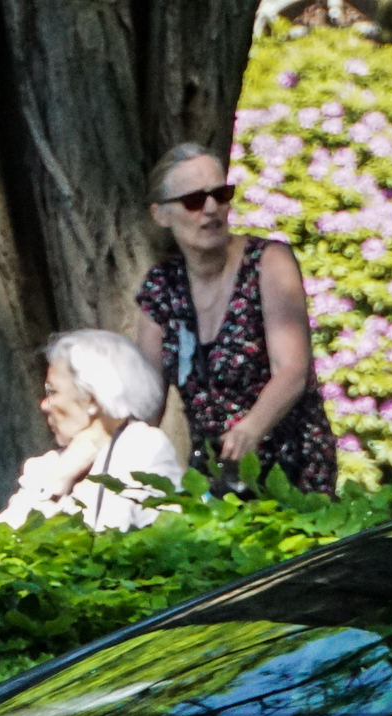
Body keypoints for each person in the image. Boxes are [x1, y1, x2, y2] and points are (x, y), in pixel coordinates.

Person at [134, 141, 337, 496]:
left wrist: (248, 431)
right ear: (161, 215)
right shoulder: (160, 287)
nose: (211, 209)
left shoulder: (268, 262)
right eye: (194, 201)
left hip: (291, 469)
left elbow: (292, 370)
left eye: (221, 194)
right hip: (214, 476)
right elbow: (148, 400)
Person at [0, 330, 186, 532]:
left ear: (93, 399)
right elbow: (1, 540)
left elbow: (165, 537)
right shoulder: (46, 466)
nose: (44, 405)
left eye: (52, 391)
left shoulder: (143, 447)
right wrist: (60, 477)